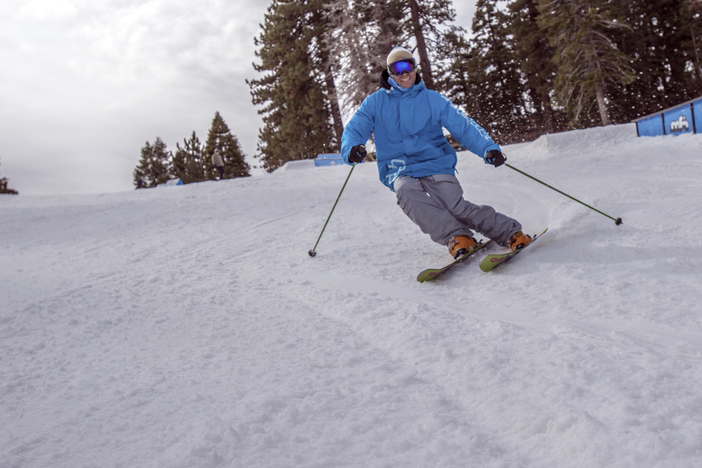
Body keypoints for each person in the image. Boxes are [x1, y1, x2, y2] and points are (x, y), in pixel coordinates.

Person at [341, 46, 531, 259]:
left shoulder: (432, 100)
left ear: (414, 68)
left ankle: (510, 233)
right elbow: (355, 128)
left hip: (435, 162)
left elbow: (463, 125)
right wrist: (351, 148)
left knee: (455, 207)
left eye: (408, 66)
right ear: (389, 72)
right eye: (398, 68)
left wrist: (488, 148)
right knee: (405, 190)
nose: (404, 73)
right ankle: (457, 236)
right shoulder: (375, 103)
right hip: (398, 168)